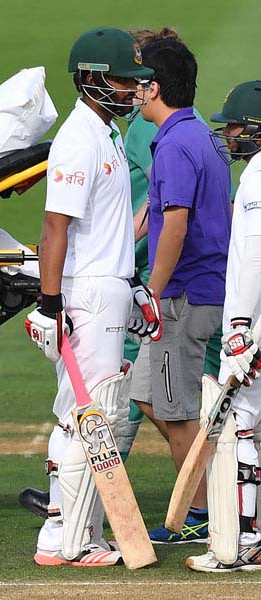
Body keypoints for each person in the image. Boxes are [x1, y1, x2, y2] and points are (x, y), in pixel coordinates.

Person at [23, 26, 154, 567]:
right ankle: (71, 541)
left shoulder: (108, 134)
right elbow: (55, 227)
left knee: (79, 413)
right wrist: (50, 304)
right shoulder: (80, 139)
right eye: (123, 80)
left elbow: (107, 228)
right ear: (93, 79)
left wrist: (135, 285)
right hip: (88, 293)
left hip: (109, 284)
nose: (131, 90)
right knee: (93, 413)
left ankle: (64, 531)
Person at [134, 40, 231, 544]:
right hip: (200, 287)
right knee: (148, 397)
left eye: (137, 80)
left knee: (176, 413)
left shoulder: (173, 144)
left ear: (153, 87)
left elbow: (174, 226)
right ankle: (212, 488)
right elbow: (157, 211)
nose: (130, 89)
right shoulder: (201, 135)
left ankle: (205, 515)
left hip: (183, 295)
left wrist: (150, 291)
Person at [186, 80, 261, 572]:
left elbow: (254, 253)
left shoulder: (257, 174)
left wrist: (238, 324)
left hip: (253, 325)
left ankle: (245, 541)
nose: (229, 134)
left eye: (234, 124)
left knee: (241, 425)